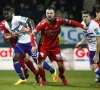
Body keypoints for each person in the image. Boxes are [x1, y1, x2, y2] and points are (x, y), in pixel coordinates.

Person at [31, 7, 88, 86]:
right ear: (46, 14)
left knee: (61, 66)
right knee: (40, 65)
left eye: (51, 13)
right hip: (43, 47)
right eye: (48, 13)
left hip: (55, 47)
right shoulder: (42, 24)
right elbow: (32, 34)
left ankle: (62, 75)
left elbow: (71, 22)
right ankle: (43, 80)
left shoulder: (59, 20)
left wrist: (82, 26)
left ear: (54, 14)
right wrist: (34, 45)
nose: (49, 15)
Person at [2, 6, 58, 85]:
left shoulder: (17, 18)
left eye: (7, 14)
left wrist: (33, 32)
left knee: (38, 61)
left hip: (29, 40)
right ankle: (22, 78)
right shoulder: (6, 24)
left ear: (12, 14)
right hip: (21, 42)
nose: (6, 15)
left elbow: (30, 20)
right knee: (15, 58)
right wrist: (12, 35)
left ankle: (53, 70)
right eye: (4, 14)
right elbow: (16, 34)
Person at [75, 10, 100, 83]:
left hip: (97, 48)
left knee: (94, 66)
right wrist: (81, 42)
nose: (85, 18)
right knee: (93, 67)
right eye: (83, 17)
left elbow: (99, 40)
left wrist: (96, 54)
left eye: (86, 16)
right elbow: (86, 34)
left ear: (90, 17)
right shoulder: (82, 24)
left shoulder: (94, 26)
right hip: (92, 48)